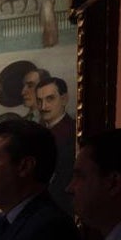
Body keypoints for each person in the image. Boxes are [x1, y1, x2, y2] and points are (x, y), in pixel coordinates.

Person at [35, 77, 76, 214]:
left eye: (50, 99)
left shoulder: (72, 133)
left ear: (64, 99)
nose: (43, 107)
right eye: (39, 101)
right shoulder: (36, 131)